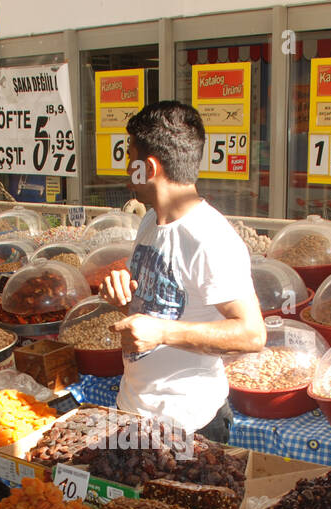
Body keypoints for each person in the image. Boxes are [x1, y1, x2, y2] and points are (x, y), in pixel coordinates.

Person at [99, 101, 265, 442]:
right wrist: (122, 296)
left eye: (130, 158)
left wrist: (162, 332)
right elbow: (154, 307)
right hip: (134, 411)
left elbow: (252, 334)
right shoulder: (150, 220)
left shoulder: (209, 237)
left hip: (190, 423)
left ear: (150, 167)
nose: (126, 168)